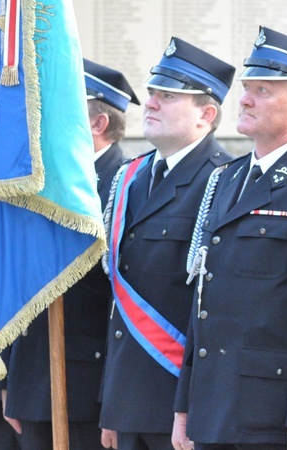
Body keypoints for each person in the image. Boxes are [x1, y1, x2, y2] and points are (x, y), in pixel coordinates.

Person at [171, 26, 287, 450]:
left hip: (272, 416)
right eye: (247, 88)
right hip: (212, 407)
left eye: (263, 90)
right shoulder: (226, 180)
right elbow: (202, 305)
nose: (244, 99)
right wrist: (184, 408)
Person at [100, 38, 235, 450]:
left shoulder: (223, 180)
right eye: (154, 93)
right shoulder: (130, 177)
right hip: (128, 400)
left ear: (206, 115)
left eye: (169, 96)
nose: (152, 103)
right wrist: (112, 404)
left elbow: (217, 304)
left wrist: (194, 405)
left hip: (182, 398)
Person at [0, 59, 138, 450]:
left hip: (87, 385)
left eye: (60, 110)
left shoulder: (124, 183)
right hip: (34, 377)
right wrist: (12, 377)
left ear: (99, 124)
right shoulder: (44, 182)